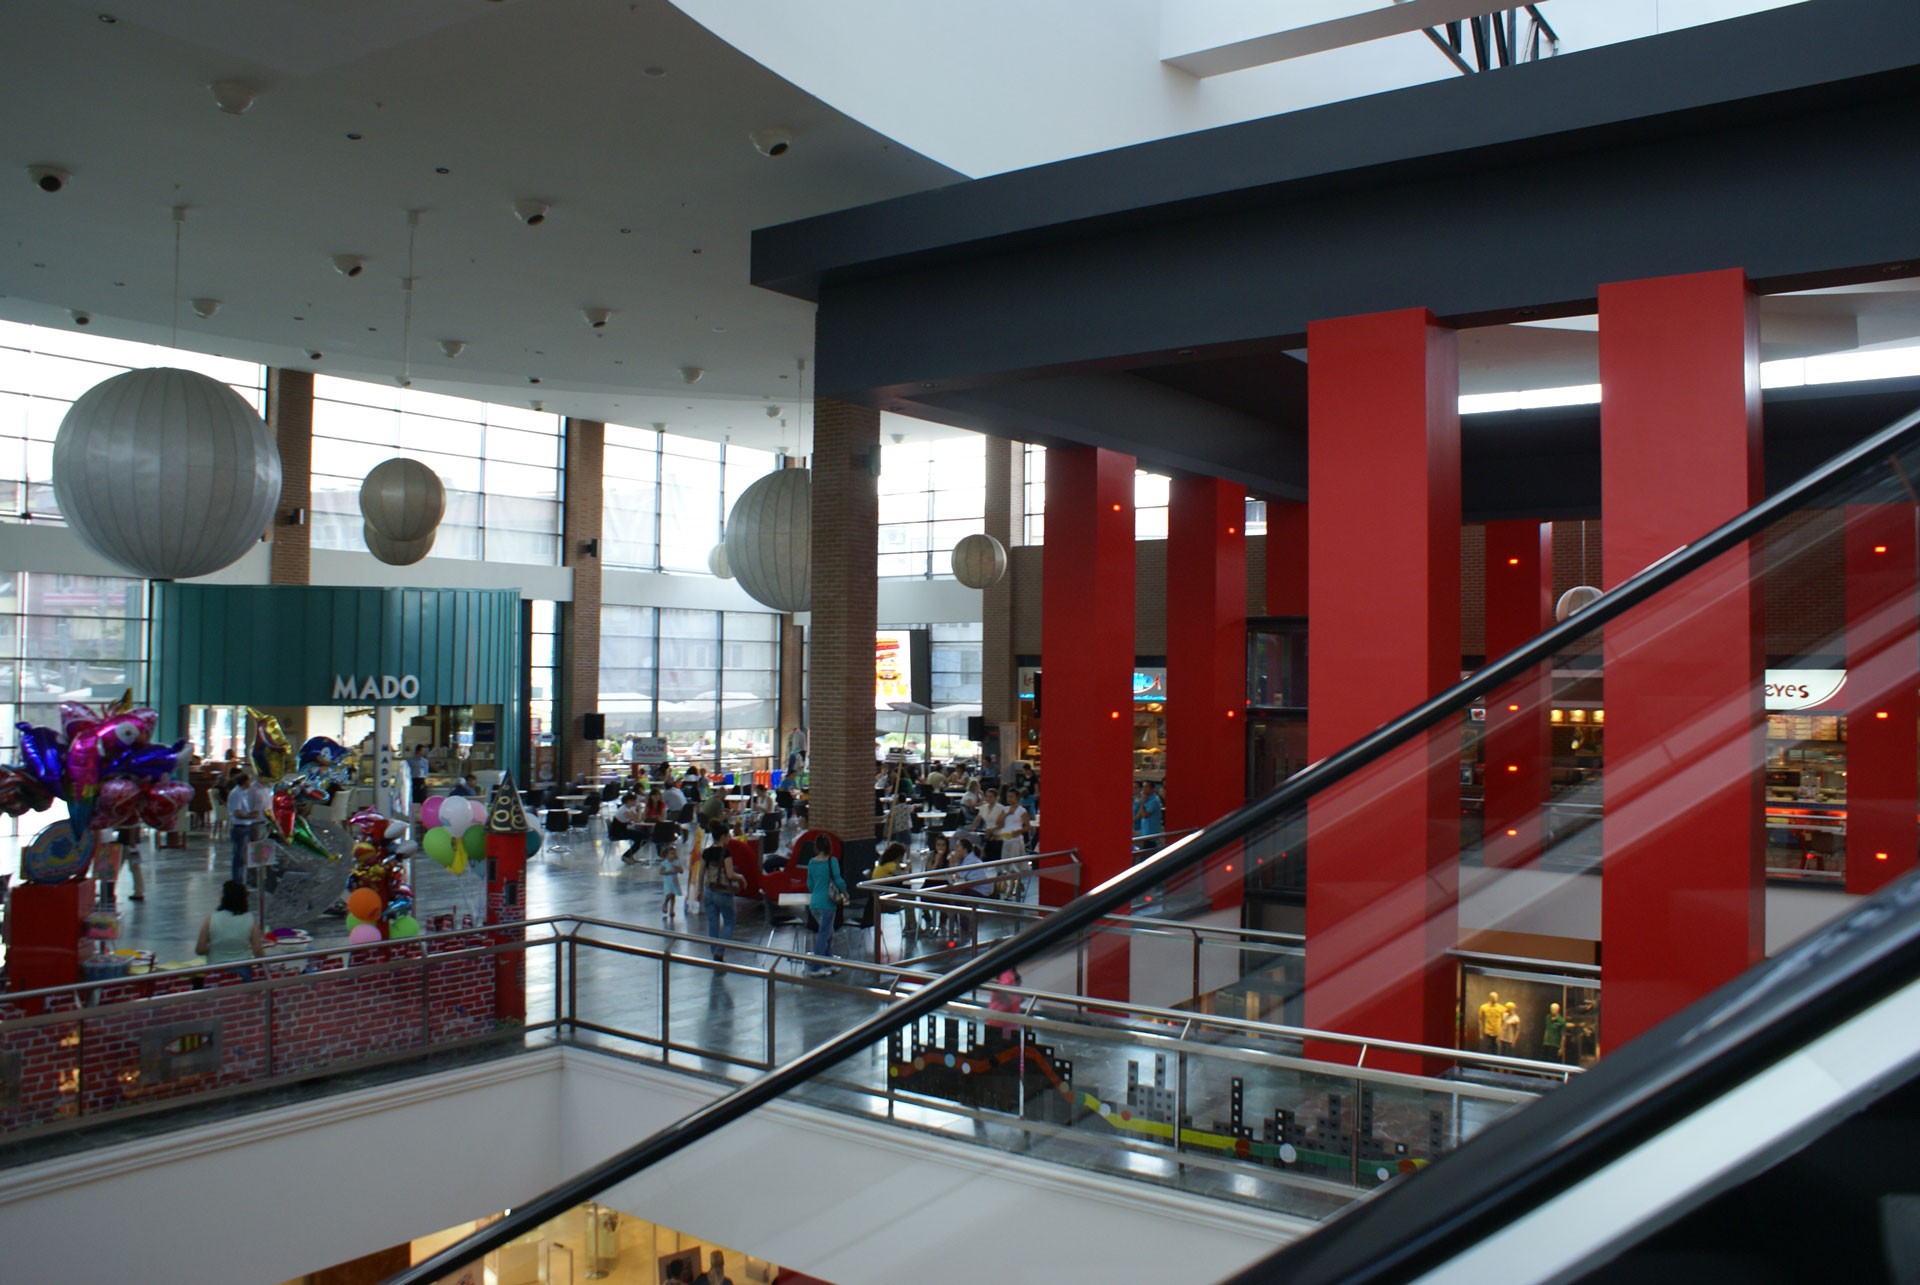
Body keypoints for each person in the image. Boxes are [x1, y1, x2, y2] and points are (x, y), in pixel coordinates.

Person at [196, 879, 264, 970]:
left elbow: (200, 949)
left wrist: (213, 949)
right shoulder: (250, 919)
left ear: (224, 897)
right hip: (242, 969)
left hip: (216, 969)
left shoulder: (210, 919)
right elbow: (257, 950)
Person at [697, 836, 745, 960]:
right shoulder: (726, 852)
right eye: (728, 836)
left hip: (709, 891)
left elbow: (701, 873)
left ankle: (714, 953)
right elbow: (730, 874)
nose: (729, 838)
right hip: (723, 892)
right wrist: (741, 878)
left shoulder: (706, 852)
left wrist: (699, 890)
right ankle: (719, 951)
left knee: (713, 924)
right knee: (729, 922)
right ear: (722, 836)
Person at [805, 835, 846, 976]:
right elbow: (838, 880)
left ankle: (828, 961)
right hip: (828, 904)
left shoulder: (811, 862)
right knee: (824, 934)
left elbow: (810, 884)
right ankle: (817, 967)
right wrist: (844, 892)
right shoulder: (832, 861)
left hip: (814, 904)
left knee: (828, 932)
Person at [225, 769, 272, 884]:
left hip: (248, 826)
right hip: (240, 827)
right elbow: (237, 813)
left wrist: (251, 815)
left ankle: (246, 880)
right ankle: (238, 881)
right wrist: (251, 816)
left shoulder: (242, 793)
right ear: (244, 781)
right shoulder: (237, 794)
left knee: (246, 855)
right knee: (240, 857)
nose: (249, 782)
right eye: (248, 780)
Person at [611, 791, 647, 863]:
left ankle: (629, 855)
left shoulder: (628, 808)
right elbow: (637, 820)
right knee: (642, 838)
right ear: (629, 801)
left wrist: (640, 813)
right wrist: (639, 810)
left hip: (623, 830)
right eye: (635, 801)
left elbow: (638, 818)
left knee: (642, 836)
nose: (636, 802)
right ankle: (626, 855)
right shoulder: (624, 810)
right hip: (618, 832)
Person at [1132, 780, 1164, 846]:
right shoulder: (1147, 798)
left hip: (1151, 832)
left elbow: (1144, 815)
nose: (1144, 789)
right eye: (1143, 787)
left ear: (1152, 789)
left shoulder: (1154, 800)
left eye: (1146, 787)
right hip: (1145, 831)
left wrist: (1142, 802)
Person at [659, 840, 685, 919]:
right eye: (671, 853)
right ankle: (665, 903)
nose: (673, 855)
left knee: (673, 895)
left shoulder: (676, 862)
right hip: (668, 881)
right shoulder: (664, 863)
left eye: (674, 853)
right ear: (666, 855)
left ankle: (672, 909)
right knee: (669, 894)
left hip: (674, 881)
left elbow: (681, 871)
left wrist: (677, 868)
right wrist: (668, 872)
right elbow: (661, 872)